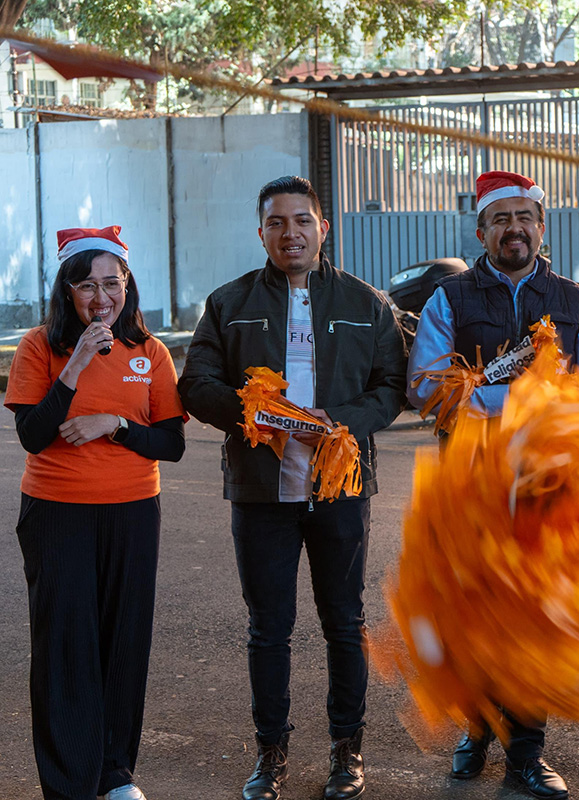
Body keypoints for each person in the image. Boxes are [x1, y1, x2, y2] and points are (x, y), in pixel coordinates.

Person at [179, 176, 407, 800]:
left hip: (340, 489)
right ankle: (270, 754)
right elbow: (195, 384)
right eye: (277, 223)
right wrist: (253, 412)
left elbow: (392, 386)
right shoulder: (229, 303)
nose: (291, 233)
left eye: (302, 221)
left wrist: (346, 425)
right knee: (268, 628)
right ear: (261, 233)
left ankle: (347, 751)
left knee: (344, 621)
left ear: (323, 228)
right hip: (262, 493)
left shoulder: (366, 303)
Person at [407, 169, 579, 800]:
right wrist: (527, 397)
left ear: (541, 227)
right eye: (501, 219)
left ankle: (526, 752)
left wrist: (491, 398)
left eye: (525, 217)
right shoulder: (449, 299)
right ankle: (475, 731)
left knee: (534, 615)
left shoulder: (575, 302)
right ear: (481, 230)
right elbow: (427, 390)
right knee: (472, 613)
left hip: (549, 487)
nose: (514, 229)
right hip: (469, 486)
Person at [5, 226, 185, 800]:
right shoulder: (39, 346)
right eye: (86, 285)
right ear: (66, 290)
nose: (101, 297)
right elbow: (34, 435)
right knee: (64, 647)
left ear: (127, 285)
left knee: (123, 642)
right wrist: (76, 364)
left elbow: (171, 444)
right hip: (57, 513)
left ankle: (114, 774)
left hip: (132, 512)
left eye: (112, 283)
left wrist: (116, 425)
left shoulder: (150, 352)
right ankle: (68, 783)